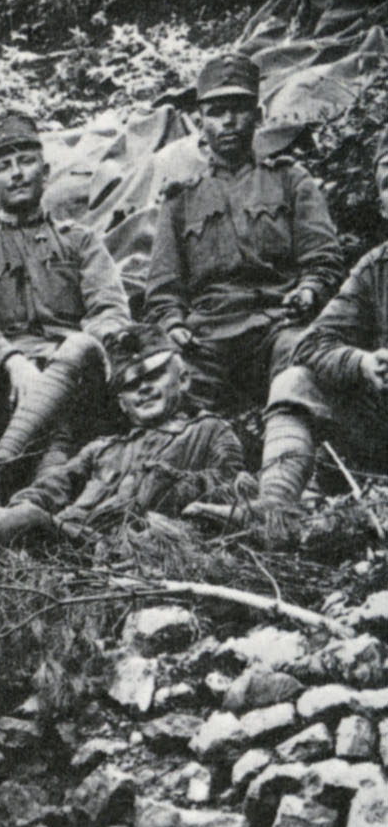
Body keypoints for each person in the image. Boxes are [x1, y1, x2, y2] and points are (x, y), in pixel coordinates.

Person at [0, 324, 244, 624]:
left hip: (97, 553)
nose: (142, 390)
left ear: (185, 379)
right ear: (121, 404)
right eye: (130, 385)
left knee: (6, 522)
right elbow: (46, 490)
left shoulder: (209, 434)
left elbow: (219, 500)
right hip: (50, 537)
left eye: (153, 377)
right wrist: (24, 509)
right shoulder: (104, 448)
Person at [144, 53, 343, 526]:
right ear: (199, 122)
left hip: (276, 323)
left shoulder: (290, 180)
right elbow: (163, 287)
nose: (228, 121)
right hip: (206, 335)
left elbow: (324, 257)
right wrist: (173, 325)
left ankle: (283, 496)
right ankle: (190, 506)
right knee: (170, 391)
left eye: (239, 109)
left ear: (257, 115)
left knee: (301, 359)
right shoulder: (179, 200)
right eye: (216, 111)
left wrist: (310, 291)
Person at [0, 111, 133, 511]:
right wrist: (13, 361)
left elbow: (111, 308)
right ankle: (33, 511)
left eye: (25, 162)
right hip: (8, 384)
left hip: (78, 367)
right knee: (59, 424)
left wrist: (79, 349)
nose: (16, 174)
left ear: (45, 170)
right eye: (3, 167)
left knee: (79, 348)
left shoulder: (80, 241)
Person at [290, 134, 388, 482]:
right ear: (382, 206)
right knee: (297, 381)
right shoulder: (374, 269)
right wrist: (363, 363)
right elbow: (310, 344)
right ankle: (278, 506)